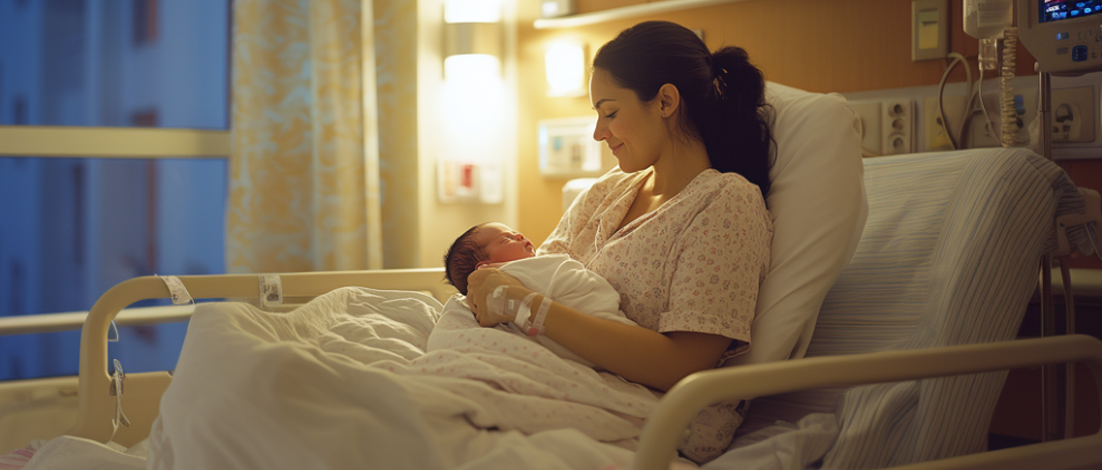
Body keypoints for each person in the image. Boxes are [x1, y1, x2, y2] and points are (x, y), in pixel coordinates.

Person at [463, 21, 774, 462]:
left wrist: (524, 306)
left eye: (609, 112)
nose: (598, 133)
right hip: (556, 375)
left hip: (652, 415)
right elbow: (537, 273)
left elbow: (682, 365)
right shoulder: (607, 192)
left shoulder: (725, 204)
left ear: (665, 101)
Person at [442, 222, 637, 367]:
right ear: (483, 269)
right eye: (506, 239)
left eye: (514, 232)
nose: (519, 235)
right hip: (596, 333)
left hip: (601, 336)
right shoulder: (515, 272)